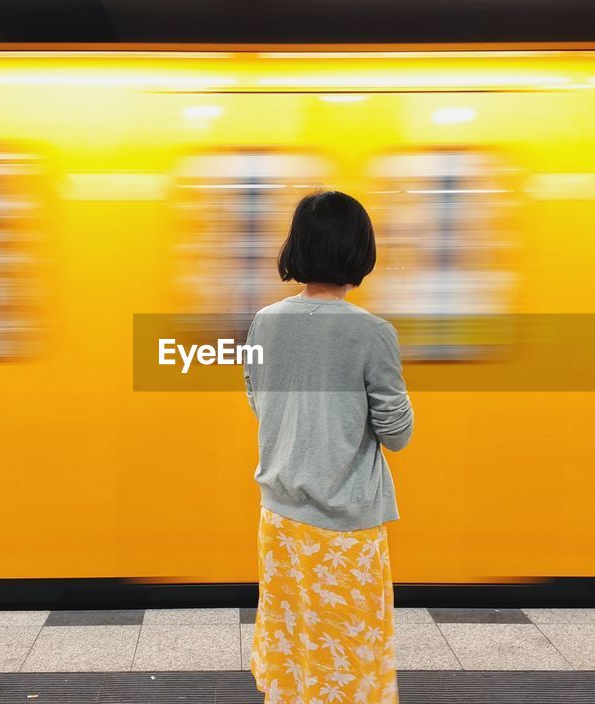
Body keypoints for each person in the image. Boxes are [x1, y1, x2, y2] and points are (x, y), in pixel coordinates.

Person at [243, 190, 414, 704]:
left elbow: (258, 399)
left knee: (295, 645)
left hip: (279, 520)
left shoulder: (264, 323)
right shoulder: (372, 333)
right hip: (344, 527)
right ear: (359, 251)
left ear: (297, 248)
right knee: (347, 653)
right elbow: (397, 434)